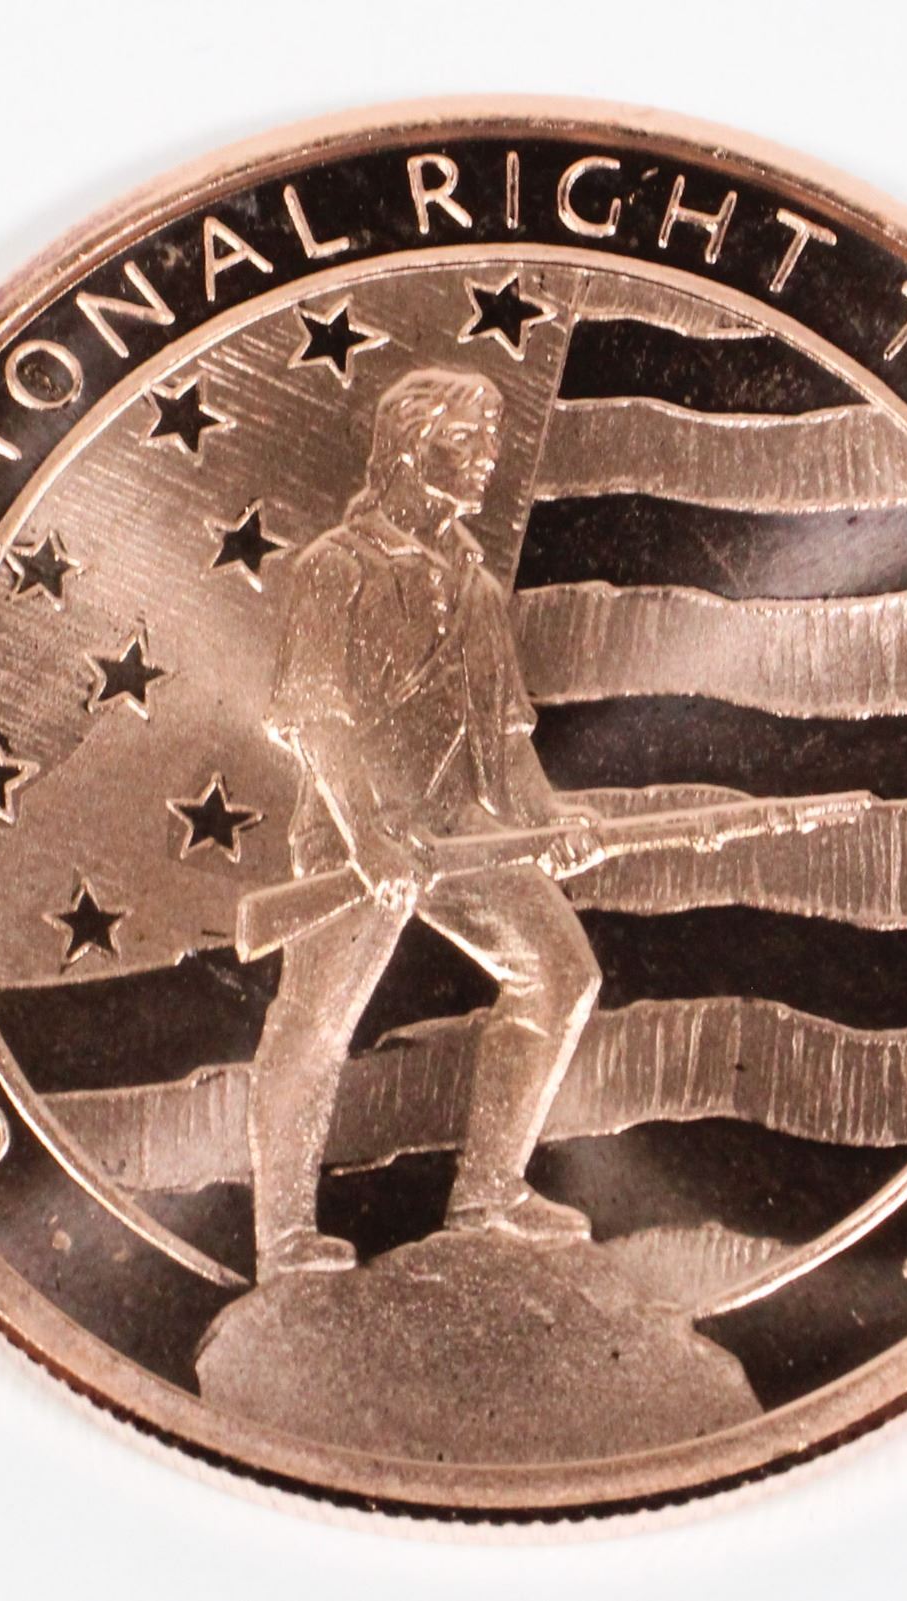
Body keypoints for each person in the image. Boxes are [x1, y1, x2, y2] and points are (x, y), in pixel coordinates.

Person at [245, 366, 604, 1282]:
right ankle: (283, 1237)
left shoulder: (476, 587)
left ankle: (490, 1193)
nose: (488, 458)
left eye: (492, 441)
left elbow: (507, 737)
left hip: (455, 825)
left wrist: (549, 820)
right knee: (317, 1019)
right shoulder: (335, 566)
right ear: (410, 447)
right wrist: (367, 835)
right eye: (466, 440)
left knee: (560, 972)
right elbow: (316, 721)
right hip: (352, 827)